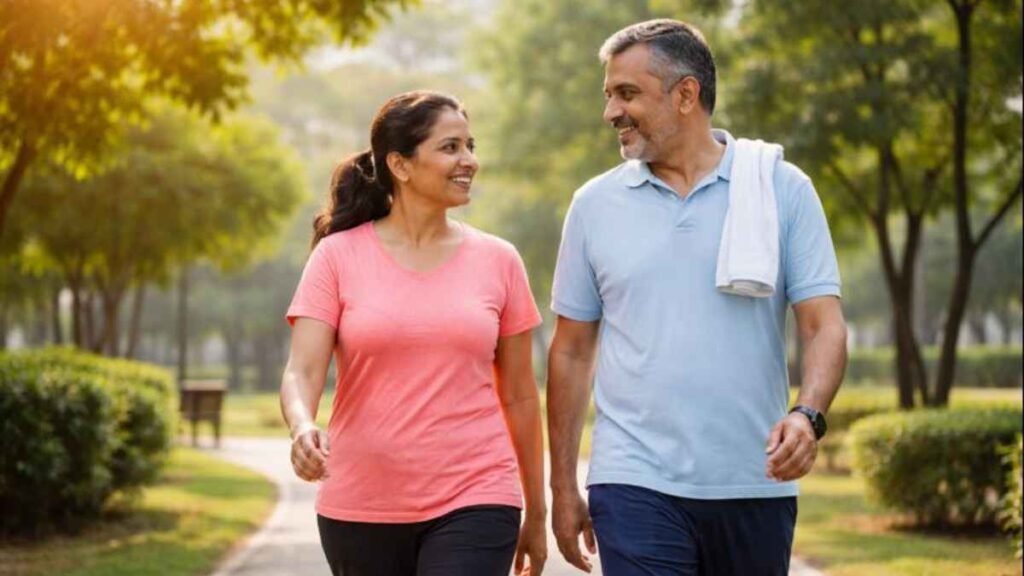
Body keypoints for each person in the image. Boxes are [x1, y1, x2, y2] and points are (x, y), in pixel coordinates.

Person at [546, 20, 847, 576]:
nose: (611, 111)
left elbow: (822, 325)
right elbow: (570, 350)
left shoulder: (782, 188)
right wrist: (562, 488)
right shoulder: (593, 205)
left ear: (686, 94)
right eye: (609, 94)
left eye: (627, 93)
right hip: (632, 477)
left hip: (754, 479)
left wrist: (808, 415)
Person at [280, 90, 547, 576]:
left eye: (471, 145)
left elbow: (521, 396)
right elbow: (302, 369)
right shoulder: (337, 257)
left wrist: (538, 508)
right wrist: (302, 426)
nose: (469, 161)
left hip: (478, 493)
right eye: (450, 148)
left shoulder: (500, 260)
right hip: (360, 502)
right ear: (400, 165)